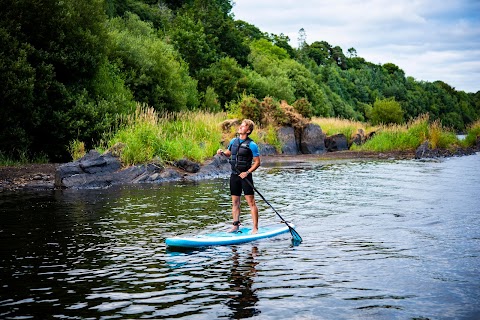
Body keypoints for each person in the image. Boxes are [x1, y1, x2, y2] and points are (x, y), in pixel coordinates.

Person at [217, 119, 261, 234]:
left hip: (245, 177)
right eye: (241, 125)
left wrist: (247, 172)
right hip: (234, 176)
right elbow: (229, 153)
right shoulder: (233, 141)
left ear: (248, 130)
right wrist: (222, 152)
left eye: (243, 126)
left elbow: (257, 162)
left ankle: (255, 228)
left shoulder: (252, 145)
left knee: (251, 203)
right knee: (235, 202)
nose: (240, 127)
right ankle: (235, 226)